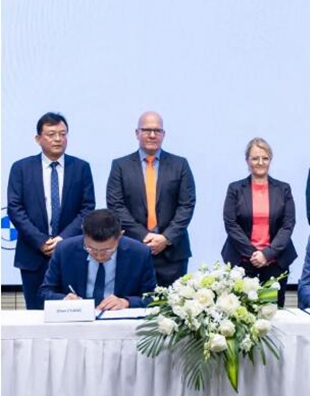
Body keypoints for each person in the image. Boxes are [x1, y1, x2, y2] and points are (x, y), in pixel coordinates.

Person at [7, 112, 95, 310]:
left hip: (71, 252)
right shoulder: (21, 168)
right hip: (33, 253)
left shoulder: (81, 167)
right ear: (38, 138)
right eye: (51, 134)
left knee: (73, 311)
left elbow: (87, 208)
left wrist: (63, 239)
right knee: (35, 312)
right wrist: (41, 241)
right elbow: (15, 208)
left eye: (63, 134)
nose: (58, 139)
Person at [106, 111, 196, 287]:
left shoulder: (180, 165)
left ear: (164, 134)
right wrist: (144, 236)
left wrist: (165, 238)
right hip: (133, 249)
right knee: (133, 301)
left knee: (172, 303)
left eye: (157, 130)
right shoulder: (120, 166)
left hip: (172, 253)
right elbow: (116, 205)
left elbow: (186, 205)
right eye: (147, 130)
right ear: (137, 133)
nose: (152, 135)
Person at [221, 138, 297, 308]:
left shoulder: (283, 189)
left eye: (265, 158)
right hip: (243, 264)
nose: (260, 162)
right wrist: (255, 255)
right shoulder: (235, 189)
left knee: (272, 313)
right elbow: (231, 224)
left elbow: (288, 225)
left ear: (271, 160)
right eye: (255, 158)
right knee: (242, 313)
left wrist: (267, 254)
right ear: (247, 160)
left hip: (274, 264)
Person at [40, 209, 156, 309]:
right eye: (91, 249)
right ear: (84, 234)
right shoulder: (64, 250)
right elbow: (45, 292)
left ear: (120, 236)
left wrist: (126, 302)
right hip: (78, 319)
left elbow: (153, 296)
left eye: (107, 250)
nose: (99, 256)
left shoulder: (139, 253)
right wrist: (64, 299)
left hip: (118, 318)